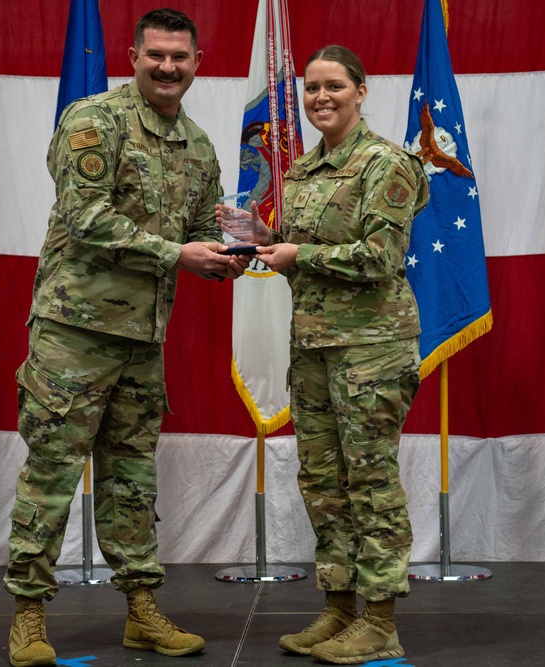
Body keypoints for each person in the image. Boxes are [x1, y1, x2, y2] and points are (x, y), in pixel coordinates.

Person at [5, 9, 249, 667]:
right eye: (156, 55)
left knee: (133, 480)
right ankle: (28, 614)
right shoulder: (94, 121)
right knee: (52, 475)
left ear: (197, 62)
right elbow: (86, 219)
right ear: (134, 55)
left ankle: (142, 610)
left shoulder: (198, 146)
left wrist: (235, 255)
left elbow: (202, 228)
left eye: (180, 57)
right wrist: (180, 254)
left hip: (143, 341)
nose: (168, 67)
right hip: (73, 333)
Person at [218, 45, 428, 665]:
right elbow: (303, 248)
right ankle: (339, 608)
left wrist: (298, 257)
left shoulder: (386, 163)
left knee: (370, 483)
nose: (320, 98)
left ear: (361, 91)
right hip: (313, 347)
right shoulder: (306, 172)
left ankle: (381, 620)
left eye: (334, 86)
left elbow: (381, 258)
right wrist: (266, 240)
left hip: (371, 350)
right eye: (311, 88)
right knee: (323, 484)